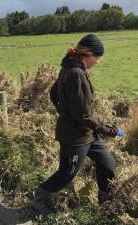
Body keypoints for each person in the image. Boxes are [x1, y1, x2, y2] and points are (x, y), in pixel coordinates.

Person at [32, 34, 124, 216]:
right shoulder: (76, 74)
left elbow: (54, 95)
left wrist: (66, 113)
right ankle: (39, 200)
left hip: (88, 134)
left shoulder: (70, 68)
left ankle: (105, 206)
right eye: (97, 57)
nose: (97, 62)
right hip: (75, 138)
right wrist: (111, 130)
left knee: (107, 165)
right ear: (87, 54)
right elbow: (85, 115)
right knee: (65, 175)